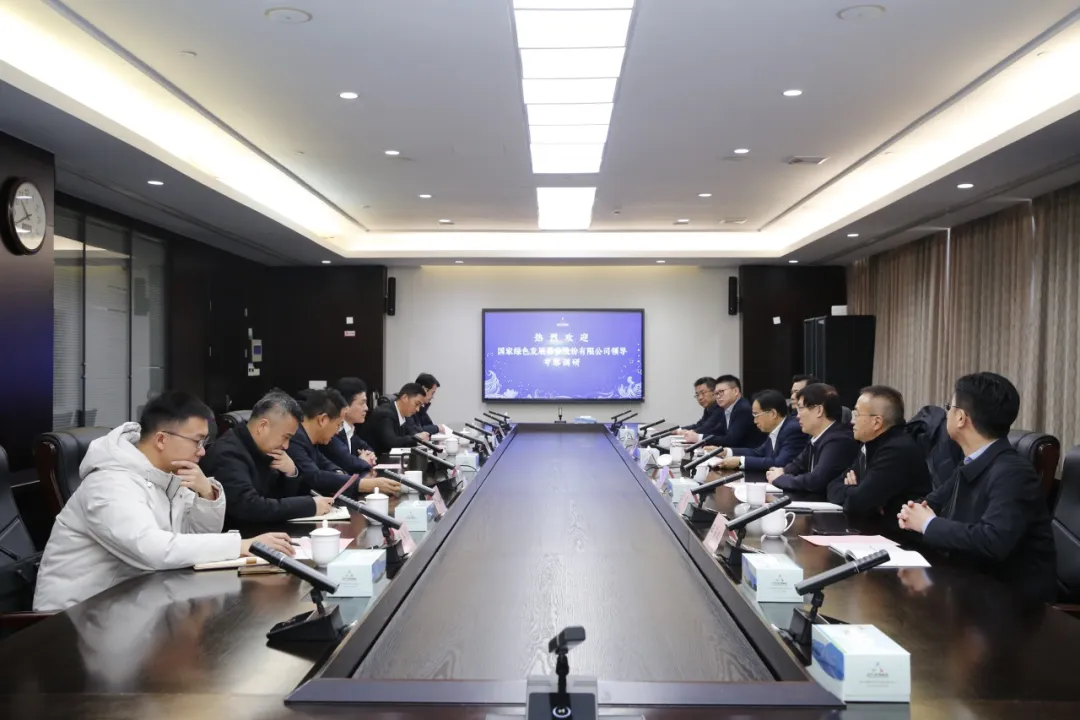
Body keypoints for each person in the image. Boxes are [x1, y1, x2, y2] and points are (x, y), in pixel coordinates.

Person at [33, 391, 295, 612]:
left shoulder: (168, 475)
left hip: (133, 603)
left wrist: (207, 495)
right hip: (74, 618)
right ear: (161, 439)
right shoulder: (109, 483)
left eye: (204, 442)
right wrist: (242, 545)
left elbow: (196, 539)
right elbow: (153, 549)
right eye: (197, 441)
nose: (202, 452)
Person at [899, 372, 1057, 601]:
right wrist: (912, 514)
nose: (946, 414)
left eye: (949, 407)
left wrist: (927, 524)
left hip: (1014, 604)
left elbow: (993, 540)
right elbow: (929, 503)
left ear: (961, 418)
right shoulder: (972, 462)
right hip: (971, 588)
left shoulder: (1014, 473)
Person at [201, 389, 335, 529]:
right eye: (286, 437)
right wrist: (310, 506)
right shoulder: (228, 454)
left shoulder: (263, 450)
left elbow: (276, 500)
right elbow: (249, 507)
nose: (286, 445)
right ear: (263, 426)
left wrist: (291, 473)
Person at [827, 385, 931, 517]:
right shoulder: (870, 444)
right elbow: (832, 486)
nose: (852, 421)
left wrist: (856, 492)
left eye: (857, 414)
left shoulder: (896, 450)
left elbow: (857, 503)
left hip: (897, 529)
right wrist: (855, 490)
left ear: (876, 422)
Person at [290, 388, 400, 496]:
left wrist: (341, 474)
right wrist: (365, 484)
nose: (338, 431)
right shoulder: (294, 439)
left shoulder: (310, 439)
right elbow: (315, 477)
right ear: (323, 420)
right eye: (338, 424)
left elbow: (326, 464)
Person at [768, 383, 859, 493]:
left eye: (801, 408)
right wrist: (783, 471)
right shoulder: (817, 436)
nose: (797, 416)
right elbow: (798, 464)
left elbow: (815, 481)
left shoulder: (839, 440)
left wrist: (779, 479)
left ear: (819, 410)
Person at [714, 389, 808, 471]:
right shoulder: (777, 428)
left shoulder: (792, 429)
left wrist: (740, 461)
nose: (754, 421)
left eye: (756, 415)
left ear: (773, 414)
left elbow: (780, 463)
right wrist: (726, 451)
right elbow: (759, 453)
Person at [683, 375, 764, 448]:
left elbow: (730, 440)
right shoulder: (728, 409)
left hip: (749, 455)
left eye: (721, 392)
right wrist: (696, 435)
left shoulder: (742, 409)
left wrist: (699, 437)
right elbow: (717, 431)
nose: (718, 397)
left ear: (735, 391)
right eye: (716, 393)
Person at [322, 377, 379, 475]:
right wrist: (362, 461)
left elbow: (367, 448)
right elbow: (348, 463)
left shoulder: (349, 428)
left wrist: (368, 456)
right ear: (345, 406)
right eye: (362, 403)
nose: (366, 408)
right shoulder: (333, 430)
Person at [362, 382, 430, 455]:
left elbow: (412, 432)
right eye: (416, 404)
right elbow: (391, 443)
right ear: (405, 398)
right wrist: (416, 439)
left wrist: (420, 436)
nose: (418, 409)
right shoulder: (385, 414)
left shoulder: (405, 415)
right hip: (375, 459)